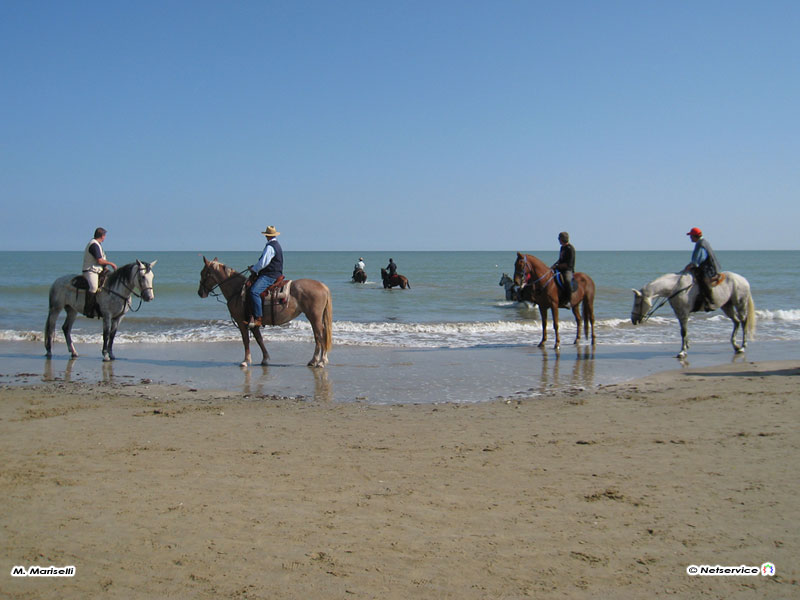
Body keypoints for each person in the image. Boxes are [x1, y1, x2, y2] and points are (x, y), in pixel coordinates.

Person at [247, 225, 283, 327]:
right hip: (275, 273)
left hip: (270, 275)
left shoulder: (270, 247)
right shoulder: (277, 245)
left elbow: (263, 263)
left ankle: (258, 318)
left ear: (267, 236)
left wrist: (253, 269)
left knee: (253, 292)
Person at [683, 227, 721, 311]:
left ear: (695, 236)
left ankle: (710, 302)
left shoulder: (701, 244)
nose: (690, 238)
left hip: (708, 269)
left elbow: (699, 259)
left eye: (691, 236)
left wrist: (690, 266)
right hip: (705, 267)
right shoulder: (702, 242)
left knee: (702, 281)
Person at [82, 227, 117, 318]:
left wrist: (107, 269)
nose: (105, 238)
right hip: (90, 270)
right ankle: (88, 309)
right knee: (93, 287)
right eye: (105, 236)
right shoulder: (93, 245)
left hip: (98, 270)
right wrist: (111, 264)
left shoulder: (98, 244)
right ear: (102, 236)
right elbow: (100, 261)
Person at [551, 231, 576, 302]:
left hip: (568, 270)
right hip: (560, 269)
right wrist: (553, 266)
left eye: (559, 239)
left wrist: (557, 266)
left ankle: (568, 300)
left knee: (567, 280)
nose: (558, 240)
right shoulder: (562, 248)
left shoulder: (570, 249)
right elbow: (560, 260)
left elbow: (568, 263)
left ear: (562, 239)